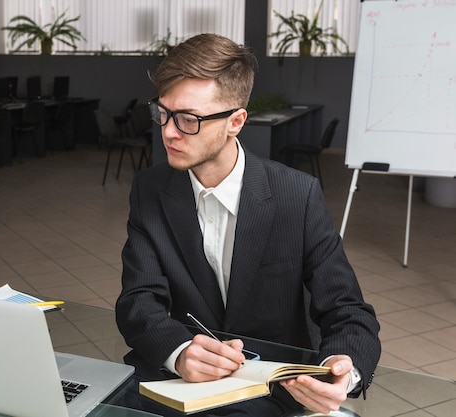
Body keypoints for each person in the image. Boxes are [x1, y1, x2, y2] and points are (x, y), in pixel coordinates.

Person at [115, 33, 381, 416]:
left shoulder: (297, 194)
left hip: (269, 390)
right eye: (164, 112)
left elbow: (347, 310)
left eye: (189, 119)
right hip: (177, 385)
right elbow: (138, 299)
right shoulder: (149, 188)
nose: (169, 131)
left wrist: (345, 371)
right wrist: (177, 352)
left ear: (236, 121)